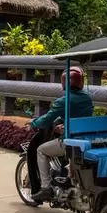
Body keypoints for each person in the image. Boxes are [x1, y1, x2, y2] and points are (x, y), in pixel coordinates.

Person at [30, 66, 93, 200]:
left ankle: (46, 187)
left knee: (41, 150)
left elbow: (47, 118)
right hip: (86, 137)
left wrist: (33, 124)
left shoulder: (63, 101)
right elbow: (79, 116)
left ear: (64, 83)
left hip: (71, 140)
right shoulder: (87, 98)